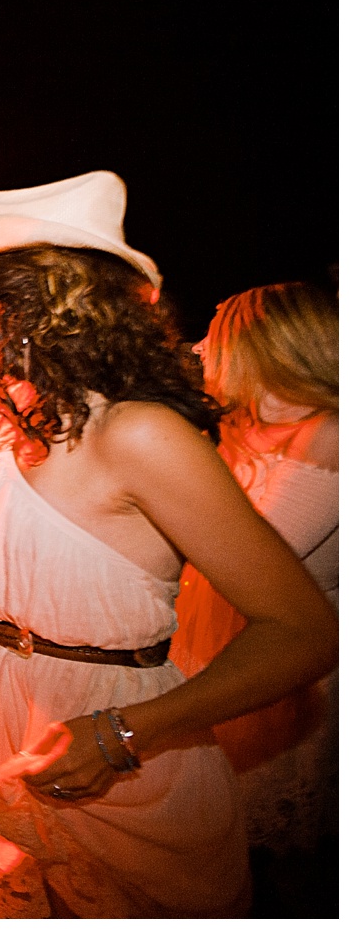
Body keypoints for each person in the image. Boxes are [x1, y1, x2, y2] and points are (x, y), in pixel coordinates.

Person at [0, 171, 336, 918]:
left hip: (120, 745)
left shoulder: (140, 434)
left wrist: (120, 734)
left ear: (33, 304)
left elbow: (302, 631)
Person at [171, 282, 337, 913]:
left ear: (257, 349)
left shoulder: (330, 434)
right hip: (225, 651)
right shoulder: (243, 428)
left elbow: (245, 553)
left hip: (295, 681)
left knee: (286, 874)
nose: (199, 348)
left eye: (214, 338)